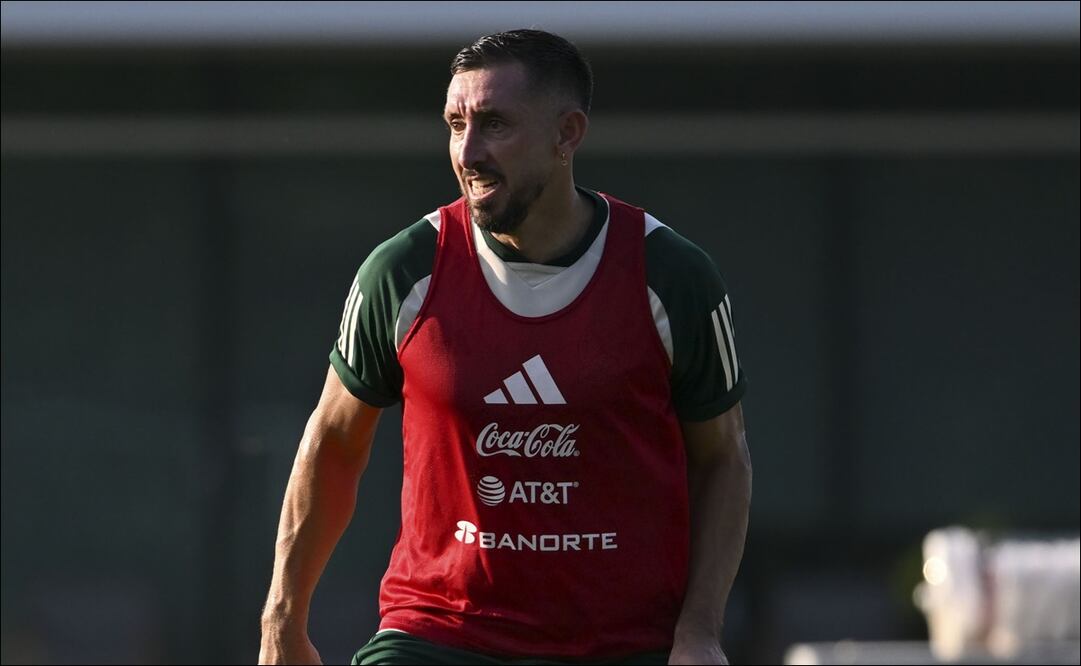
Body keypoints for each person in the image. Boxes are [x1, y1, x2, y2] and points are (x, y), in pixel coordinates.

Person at [259, 29, 751, 666]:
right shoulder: (403, 271)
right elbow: (334, 441)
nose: (468, 151)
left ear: (567, 134)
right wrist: (282, 620)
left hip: (624, 644)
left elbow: (723, 458)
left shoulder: (672, 276)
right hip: (437, 636)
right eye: (455, 124)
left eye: (494, 124)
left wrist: (700, 630)